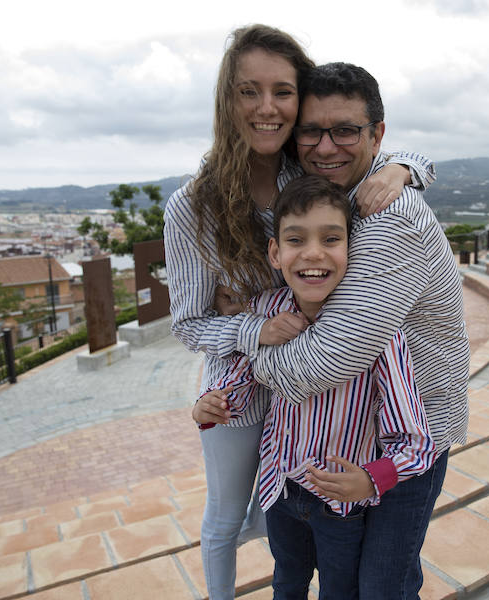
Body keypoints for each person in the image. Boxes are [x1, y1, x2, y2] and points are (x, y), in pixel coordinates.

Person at [164, 25, 436, 600]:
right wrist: (254, 328)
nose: (268, 108)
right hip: (244, 371)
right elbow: (188, 324)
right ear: (225, 99)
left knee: (297, 521)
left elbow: (364, 150)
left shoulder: (306, 169)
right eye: (248, 91)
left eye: (283, 91)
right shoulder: (192, 207)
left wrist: (404, 168)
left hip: (331, 375)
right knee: (231, 513)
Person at [242, 62, 470, 599]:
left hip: (407, 439)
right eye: (311, 130)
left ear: (377, 135)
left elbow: (318, 368)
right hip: (348, 435)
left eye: (345, 130)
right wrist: (409, 164)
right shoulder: (333, 193)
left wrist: (254, 345)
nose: (325, 147)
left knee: (380, 589)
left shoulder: (395, 220)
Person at [195, 174, 436, 599]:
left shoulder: (379, 331)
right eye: (295, 240)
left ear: (350, 248)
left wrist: (371, 479)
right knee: (286, 584)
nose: (313, 254)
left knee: (338, 592)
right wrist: (213, 402)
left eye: (330, 239)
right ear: (275, 252)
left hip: (339, 508)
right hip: (280, 488)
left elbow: (417, 443)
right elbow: (242, 375)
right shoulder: (265, 310)